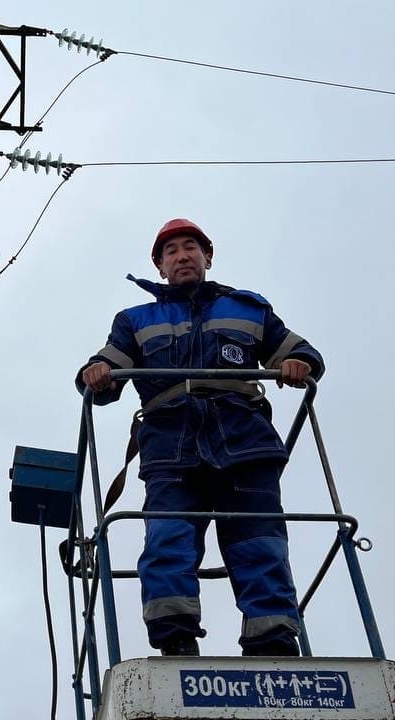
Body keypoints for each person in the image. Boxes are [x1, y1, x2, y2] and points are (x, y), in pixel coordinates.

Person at [76, 218, 324, 657]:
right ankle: (175, 639)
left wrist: (298, 364)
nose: (182, 256)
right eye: (171, 251)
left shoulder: (248, 309)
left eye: (190, 247)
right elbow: (103, 371)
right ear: (159, 265)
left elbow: (300, 352)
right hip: (171, 445)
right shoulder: (135, 320)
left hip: (245, 441)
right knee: (168, 539)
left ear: (207, 257)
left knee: (259, 541)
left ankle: (273, 640)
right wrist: (96, 375)